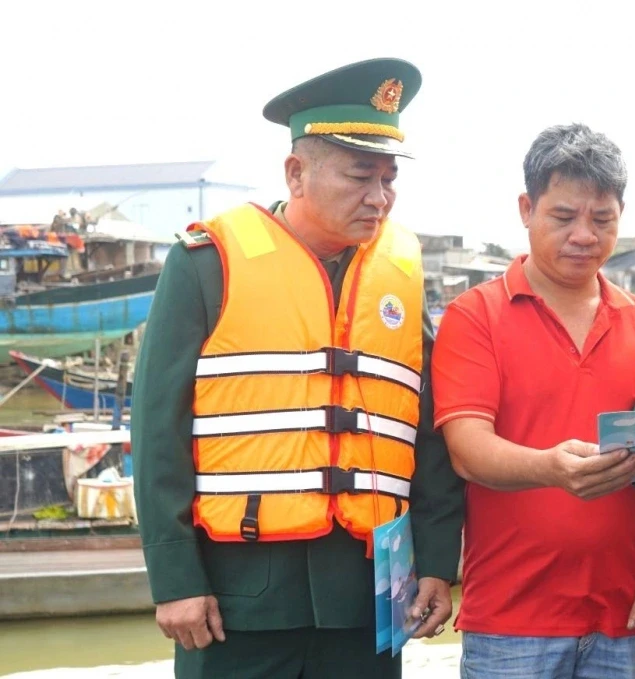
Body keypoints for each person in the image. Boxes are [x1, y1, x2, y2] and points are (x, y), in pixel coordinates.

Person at [131, 57, 465, 678]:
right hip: (236, 602)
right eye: (361, 175)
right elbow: (157, 429)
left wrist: (439, 563)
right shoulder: (207, 262)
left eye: (390, 178)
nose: (380, 197)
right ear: (296, 172)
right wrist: (174, 577)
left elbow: (428, 433)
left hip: (371, 601)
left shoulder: (402, 276)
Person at [431, 123, 635, 679]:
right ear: (527, 208)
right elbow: (467, 450)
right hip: (511, 622)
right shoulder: (477, 316)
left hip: (624, 615)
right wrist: (549, 468)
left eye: (602, 219)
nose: (584, 236)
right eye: (563, 217)